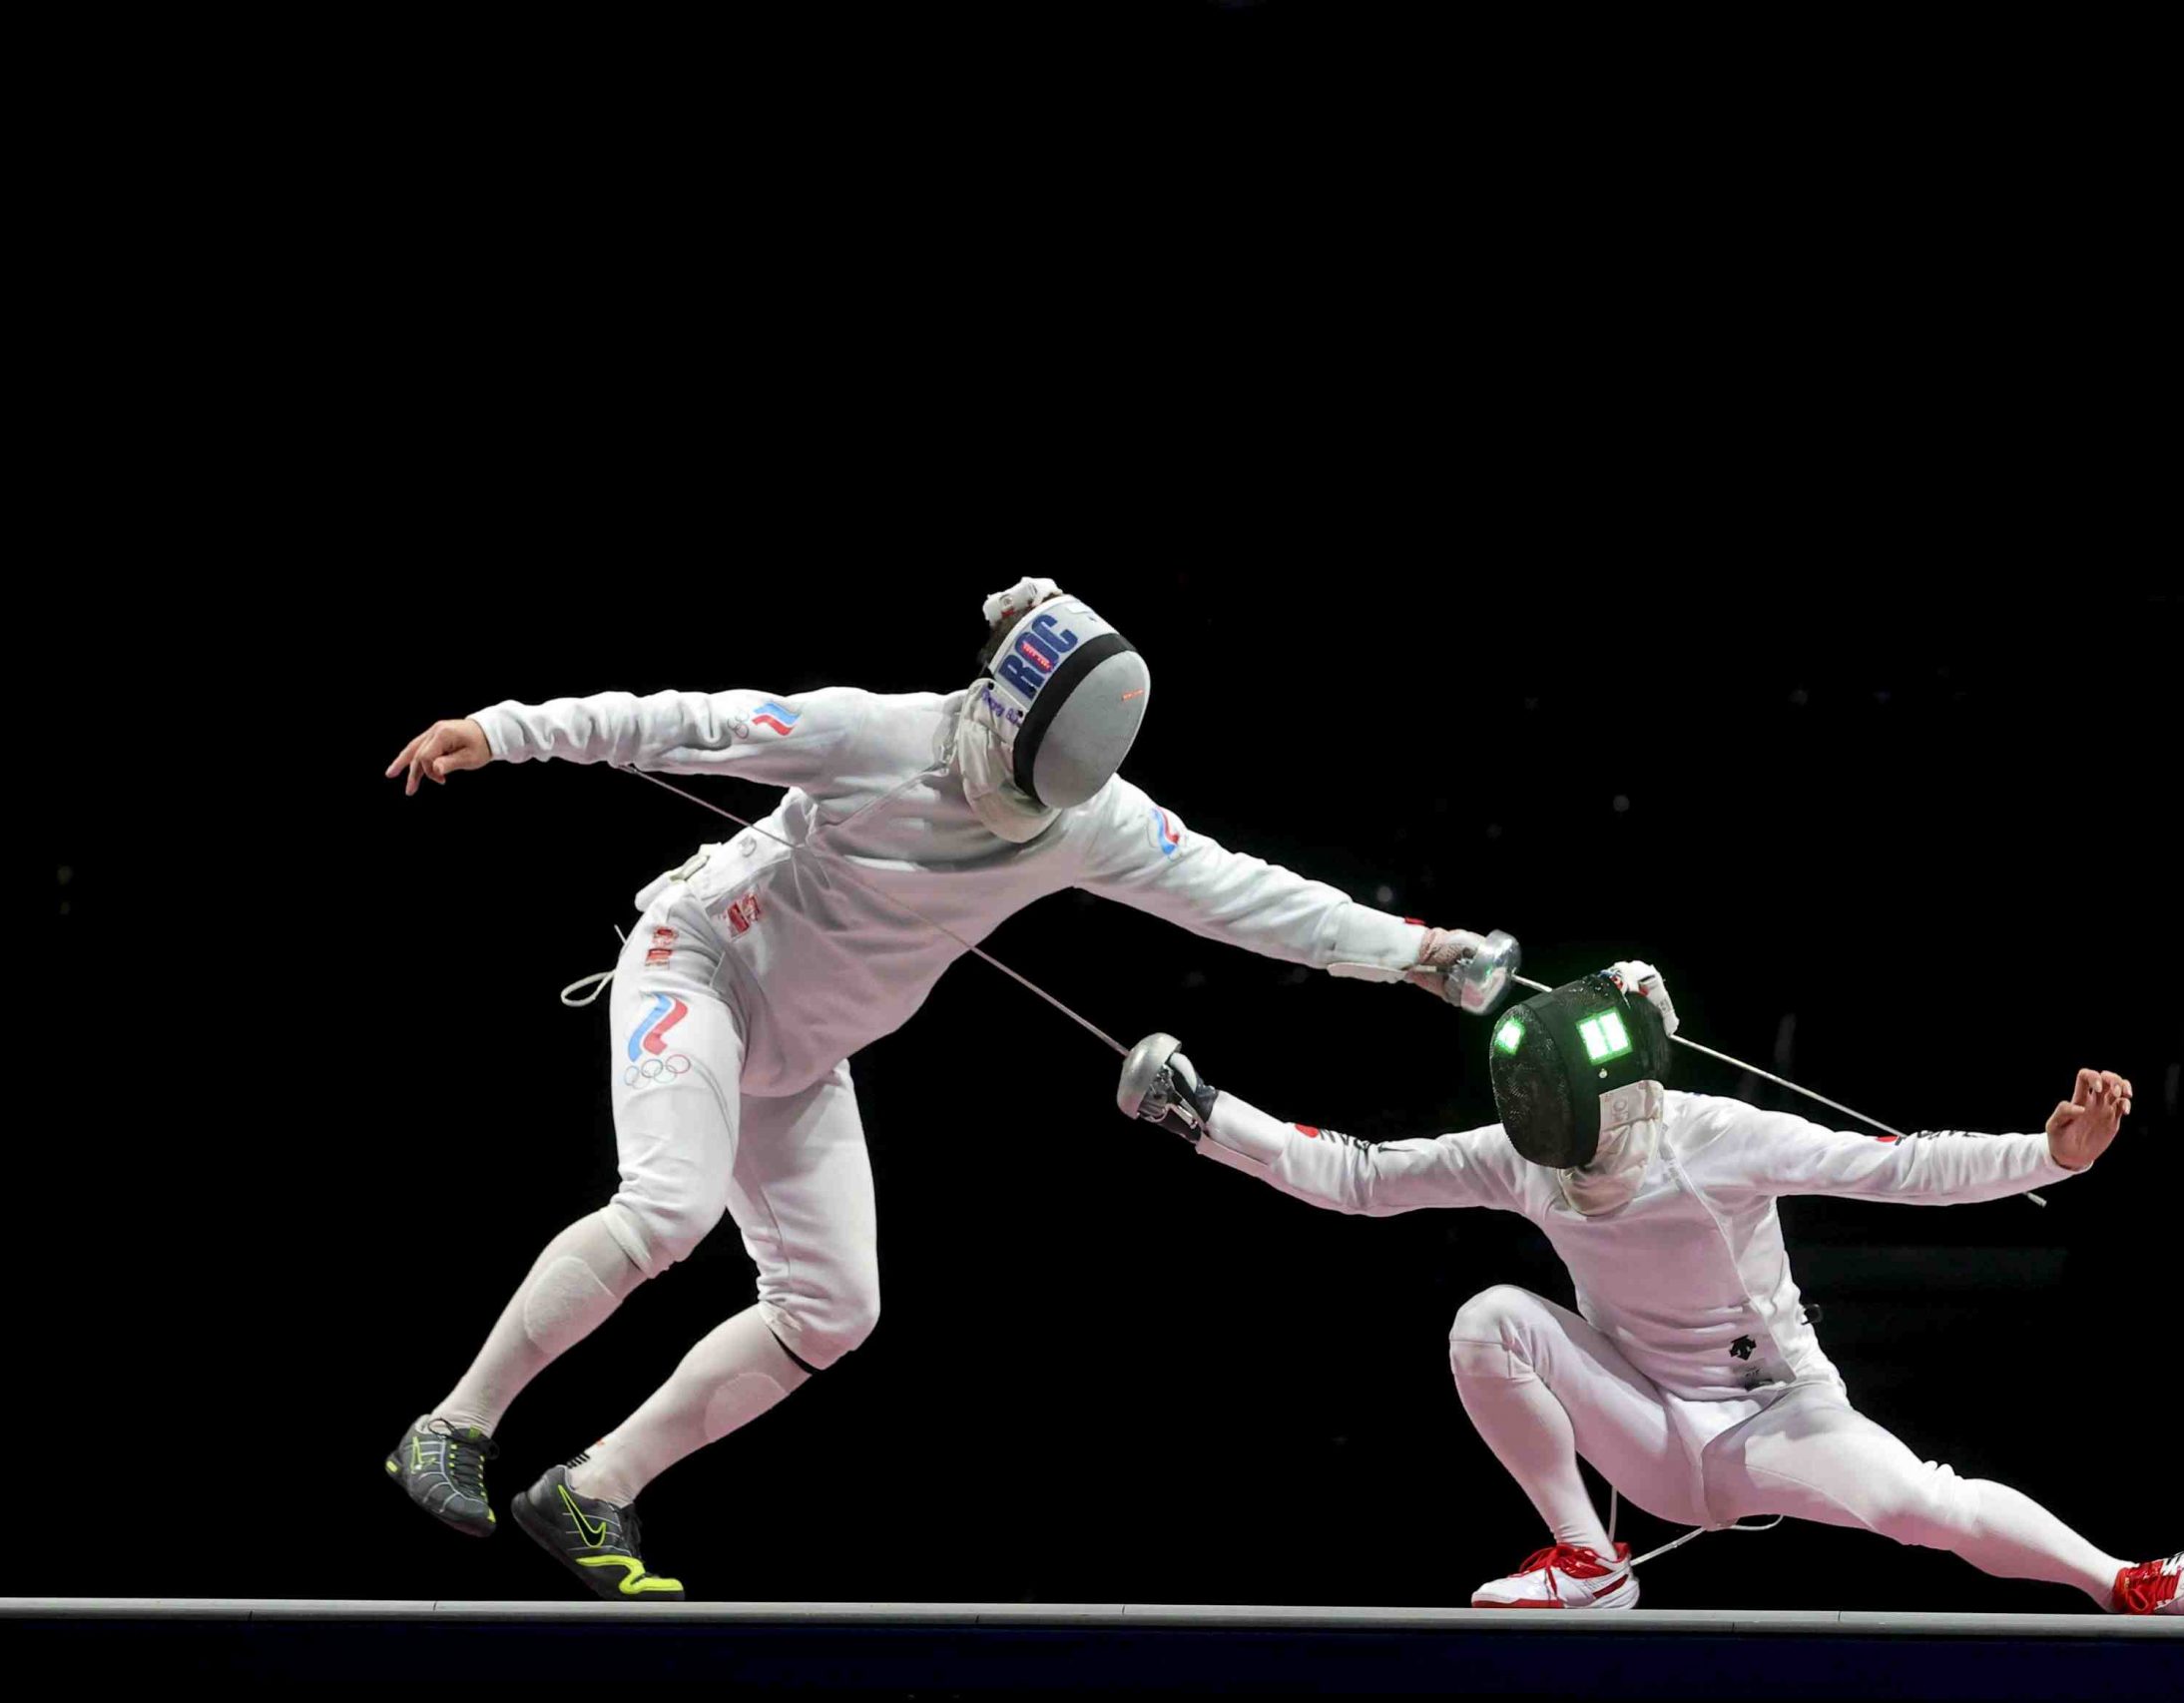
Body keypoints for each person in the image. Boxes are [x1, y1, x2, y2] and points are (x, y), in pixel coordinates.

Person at [381, 578, 1499, 1599]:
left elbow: (1250, 898)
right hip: (698, 964)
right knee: (670, 1207)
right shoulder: (873, 734)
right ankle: (454, 1424)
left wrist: (1417, 950)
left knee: (833, 1307)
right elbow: (692, 720)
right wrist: (504, 732)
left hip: (801, 1058)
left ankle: (593, 1487)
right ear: (996, 712)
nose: (1026, 807)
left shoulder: (1090, 818)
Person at [1121, 961, 2184, 1614]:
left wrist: (2051, 1151)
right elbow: (1360, 1174)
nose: (1573, 1172)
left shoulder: (1716, 1136)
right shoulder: (1520, 1151)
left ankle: (2122, 1580)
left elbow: (1901, 1166)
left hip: (1776, 1420)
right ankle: (1589, 1558)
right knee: (1490, 1323)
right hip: (1641, 1425)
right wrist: (1203, 1112)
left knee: (1916, 1501)